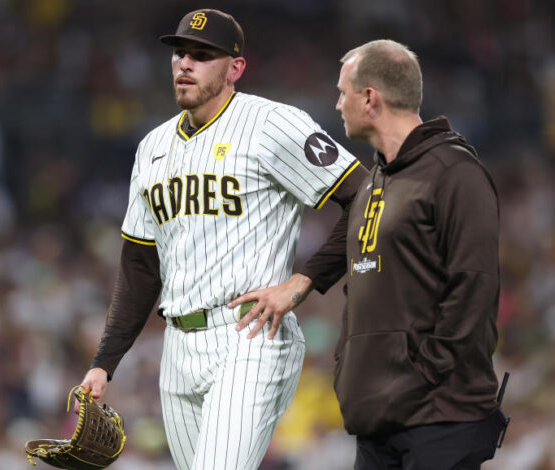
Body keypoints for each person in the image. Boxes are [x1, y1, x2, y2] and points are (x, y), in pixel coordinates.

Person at [77, 9, 369, 470]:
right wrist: (104, 362)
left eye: (202, 55)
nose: (185, 63)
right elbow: (139, 266)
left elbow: (365, 195)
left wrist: (304, 280)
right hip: (178, 347)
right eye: (180, 53)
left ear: (235, 68)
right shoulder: (152, 147)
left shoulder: (273, 124)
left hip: (249, 334)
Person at [231, 39, 508, 469]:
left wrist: (424, 374)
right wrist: (305, 284)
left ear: (370, 97)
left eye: (343, 92)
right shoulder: (377, 178)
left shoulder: (455, 173)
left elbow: (474, 289)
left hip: (439, 419)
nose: (338, 104)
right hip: (379, 418)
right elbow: (355, 246)